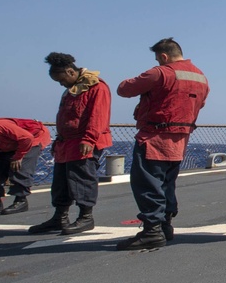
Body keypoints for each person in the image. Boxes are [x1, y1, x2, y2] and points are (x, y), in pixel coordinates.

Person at [116, 38, 209, 250]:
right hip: (180, 139)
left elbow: (124, 89)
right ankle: (165, 226)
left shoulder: (161, 73)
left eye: (158, 59)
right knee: (167, 184)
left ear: (164, 56)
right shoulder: (201, 77)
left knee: (148, 184)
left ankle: (152, 231)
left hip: (154, 138)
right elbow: (200, 103)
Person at [28, 53, 113, 235]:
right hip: (65, 144)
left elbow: (98, 116)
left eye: (61, 79)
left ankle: (86, 217)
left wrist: (89, 139)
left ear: (70, 71)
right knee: (60, 182)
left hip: (84, 142)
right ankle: (59, 217)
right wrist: (58, 139)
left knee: (82, 179)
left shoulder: (96, 86)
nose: (61, 84)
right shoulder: (72, 89)